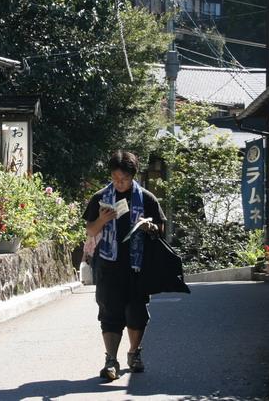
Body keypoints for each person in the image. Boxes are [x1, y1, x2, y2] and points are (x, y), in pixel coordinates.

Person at [82, 150, 166, 381]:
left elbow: (161, 229)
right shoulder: (100, 197)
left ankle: (134, 353)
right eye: (116, 178)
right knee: (109, 312)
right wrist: (102, 219)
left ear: (133, 176)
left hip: (138, 265)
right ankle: (111, 360)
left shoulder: (147, 198)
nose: (120, 183)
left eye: (125, 179)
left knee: (137, 312)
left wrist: (150, 227)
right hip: (108, 264)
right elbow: (90, 231)